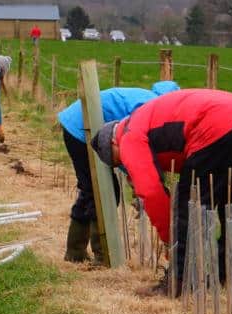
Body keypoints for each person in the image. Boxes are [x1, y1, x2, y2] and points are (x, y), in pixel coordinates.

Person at [90, 89, 232, 295]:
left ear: (113, 143)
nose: (124, 165)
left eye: (118, 160)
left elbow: (151, 192)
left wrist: (172, 240)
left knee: (189, 205)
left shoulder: (129, 137)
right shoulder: (143, 118)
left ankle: (179, 281)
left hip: (213, 125)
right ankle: (228, 273)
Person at [57, 81, 180, 264]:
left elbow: (129, 148)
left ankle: (75, 253)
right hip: (81, 130)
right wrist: (139, 184)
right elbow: (131, 149)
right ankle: (102, 255)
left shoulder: (150, 101)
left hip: (84, 126)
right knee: (99, 191)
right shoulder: (148, 107)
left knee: (93, 190)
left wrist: (137, 183)